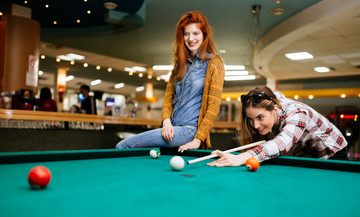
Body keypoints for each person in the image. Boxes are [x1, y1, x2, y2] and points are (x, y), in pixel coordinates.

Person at [116, 11, 225, 152]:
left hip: (189, 131)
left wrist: (198, 139)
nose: (190, 38)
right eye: (186, 34)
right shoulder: (179, 65)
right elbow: (168, 99)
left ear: (204, 34)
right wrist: (166, 121)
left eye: (196, 33)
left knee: (123, 145)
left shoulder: (214, 63)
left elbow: (213, 107)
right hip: (170, 129)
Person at [208, 86, 348, 167]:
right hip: (305, 149)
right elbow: (277, 94)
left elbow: (282, 143)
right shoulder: (272, 102)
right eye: (251, 119)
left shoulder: (297, 114)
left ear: (275, 109)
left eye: (260, 117)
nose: (256, 125)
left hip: (332, 152)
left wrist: (241, 158)